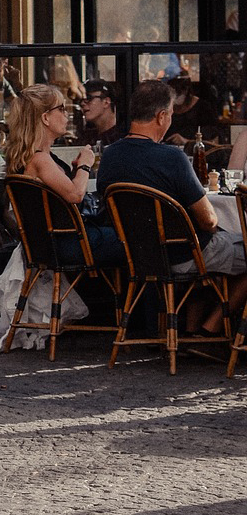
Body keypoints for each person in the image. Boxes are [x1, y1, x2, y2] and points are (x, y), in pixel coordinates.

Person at [97, 79, 247, 331]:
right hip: (184, 255)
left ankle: (190, 330)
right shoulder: (172, 157)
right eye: (170, 115)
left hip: (139, 255)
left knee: (209, 254)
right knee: (215, 248)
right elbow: (209, 221)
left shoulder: (110, 156)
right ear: (162, 116)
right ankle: (211, 330)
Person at [3, 84, 124, 266]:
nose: (66, 114)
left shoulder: (32, 157)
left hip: (50, 244)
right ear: (45, 118)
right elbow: (75, 195)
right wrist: (85, 165)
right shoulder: (40, 160)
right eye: (60, 109)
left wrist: (75, 172)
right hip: (68, 244)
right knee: (135, 238)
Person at [165, 75, 223, 146]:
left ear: (186, 91)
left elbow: (212, 135)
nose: (176, 98)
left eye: (178, 94)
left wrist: (187, 141)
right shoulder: (167, 108)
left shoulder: (203, 107)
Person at [79, 79, 125, 149]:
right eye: (80, 100)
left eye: (88, 98)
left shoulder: (123, 136)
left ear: (106, 102)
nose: (82, 103)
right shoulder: (87, 137)